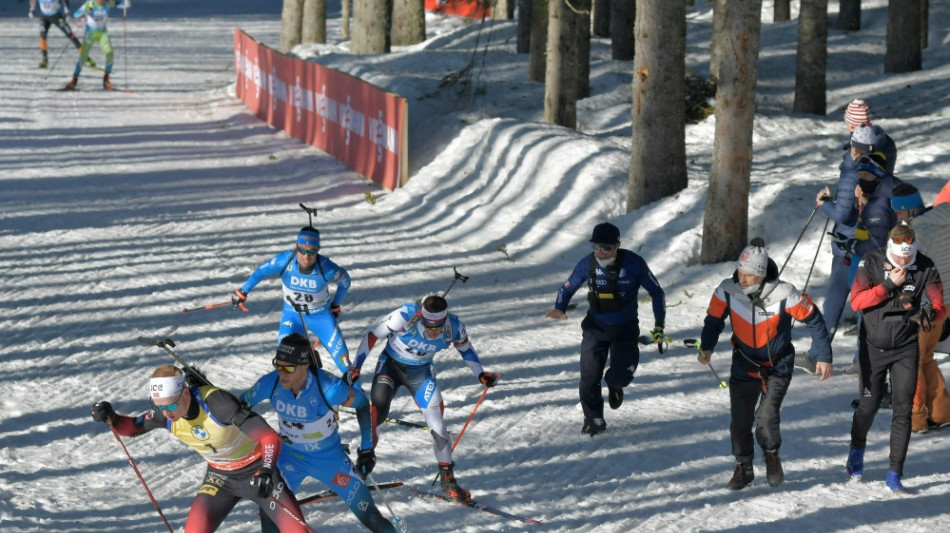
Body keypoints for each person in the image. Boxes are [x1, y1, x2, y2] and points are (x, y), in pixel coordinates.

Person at [90, 365, 311, 532]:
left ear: (186, 392)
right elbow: (132, 428)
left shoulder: (218, 404)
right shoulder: (164, 413)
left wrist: (265, 470)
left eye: (171, 405)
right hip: (221, 478)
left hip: (256, 471)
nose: (167, 413)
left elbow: (269, 437)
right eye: (160, 406)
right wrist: (112, 417)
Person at [699, 238, 833, 490]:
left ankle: (771, 455)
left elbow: (814, 320)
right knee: (739, 421)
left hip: (778, 365)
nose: (743, 279)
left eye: (749, 275)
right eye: (740, 273)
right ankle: (744, 467)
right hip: (744, 363)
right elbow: (713, 320)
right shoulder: (727, 289)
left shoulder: (785, 293)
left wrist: (824, 355)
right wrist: (706, 346)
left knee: (766, 417)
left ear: (761, 275)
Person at [350, 293, 496, 503]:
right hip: (390, 367)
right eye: (429, 325)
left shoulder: (453, 326)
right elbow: (373, 333)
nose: (432, 331)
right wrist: (356, 366)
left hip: (420, 373)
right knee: (377, 413)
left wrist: (480, 373)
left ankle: (448, 481)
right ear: (420, 316)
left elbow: (464, 346)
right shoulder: (405, 315)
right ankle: (361, 467)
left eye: (437, 327)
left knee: (437, 423)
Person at [241, 334, 395, 533]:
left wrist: (367, 450)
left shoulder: (330, 389)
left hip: (330, 460)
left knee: (372, 518)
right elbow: (239, 408)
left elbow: (363, 404)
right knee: (269, 513)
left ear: (305, 365)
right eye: (277, 365)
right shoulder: (269, 384)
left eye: (288, 368)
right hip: (290, 460)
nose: (281, 373)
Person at [845, 224, 945, 493]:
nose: (904, 262)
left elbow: (939, 305)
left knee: (904, 409)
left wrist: (929, 314)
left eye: (908, 258)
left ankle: (894, 473)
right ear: (890, 250)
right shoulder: (872, 261)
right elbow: (856, 302)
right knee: (868, 404)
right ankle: (856, 449)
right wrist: (889, 284)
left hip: (906, 347)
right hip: (872, 347)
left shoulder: (925, 265)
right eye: (899, 258)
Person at [544, 222, 666, 437]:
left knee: (622, 375)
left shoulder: (634, 264)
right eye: (596, 247)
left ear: (617, 246)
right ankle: (593, 420)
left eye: (606, 247)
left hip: (625, 329)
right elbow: (567, 287)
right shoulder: (587, 264)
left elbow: (657, 292)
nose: (600, 253)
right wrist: (559, 308)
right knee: (589, 376)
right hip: (595, 328)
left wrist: (659, 326)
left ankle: (614, 384)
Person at [235, 226, 352, 374]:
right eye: (302, 250)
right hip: (292, 316)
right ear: (297, 247)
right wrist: (243, 291)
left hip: (321, 317)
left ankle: (358, 394)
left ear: (318, 250)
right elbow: (261, 271)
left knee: (345, 365)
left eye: (312, 252)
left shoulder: (327, 268)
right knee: (283, 363)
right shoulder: (284, 261)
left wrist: (336, 305)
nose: (306, 257)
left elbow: (345, 281)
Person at [890, 184, 950, 433]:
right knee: (925, 357)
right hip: (944, 304)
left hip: (922, 305)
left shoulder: (917, 232)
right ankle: (941, 411)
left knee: (909, 361)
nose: (897, 218)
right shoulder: (945, 218)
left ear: (905, 211)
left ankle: (915, 420)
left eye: (897, 213)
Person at [64, 0, 129, 91]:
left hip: (102, 33)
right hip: (90, 34)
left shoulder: (108, 2)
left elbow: (121, 3)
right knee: (83, 57)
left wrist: (126, 3)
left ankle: (106, 79)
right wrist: (86, 10)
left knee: (110, 53)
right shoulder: (90, 3)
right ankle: (74, 80)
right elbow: (76, 14)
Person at [28, 0, 93, 70]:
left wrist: (67, 11)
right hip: (45, 17)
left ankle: (86, 58)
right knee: (42, 37)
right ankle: (44, 61)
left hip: (56, 16)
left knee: (71, 35)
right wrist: (32, 9)